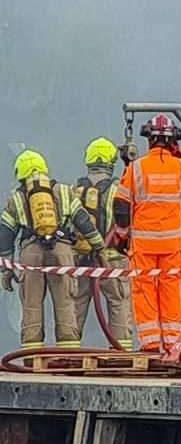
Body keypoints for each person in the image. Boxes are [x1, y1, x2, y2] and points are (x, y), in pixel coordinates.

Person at [0, 150, 103, 351]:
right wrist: (99, 248)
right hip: (62, 251)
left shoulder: (16, 198)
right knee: (65, 303)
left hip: (30, 253)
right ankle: (68, 352)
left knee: (31, 306)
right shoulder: (65, 191)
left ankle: (32, 356)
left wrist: (7, 270)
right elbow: (83, 222)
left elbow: (5, 236)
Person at [120, 114, 181, 354]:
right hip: (171, 243)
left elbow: (121, 202)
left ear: (149, 140)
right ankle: (173, 340)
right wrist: (178, 155)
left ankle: (151, 342)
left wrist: (122, 233)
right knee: (171, 288)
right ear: (172, 140)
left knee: (144, 288)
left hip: (144, 245)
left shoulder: (136, 168)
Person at [70, 138, 135, 351]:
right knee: (118, 303)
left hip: (80, 260)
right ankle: (121, 351)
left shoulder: (74, 190)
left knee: (75, 305)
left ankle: (68, 350)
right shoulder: (118, 189)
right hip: (112, 260)